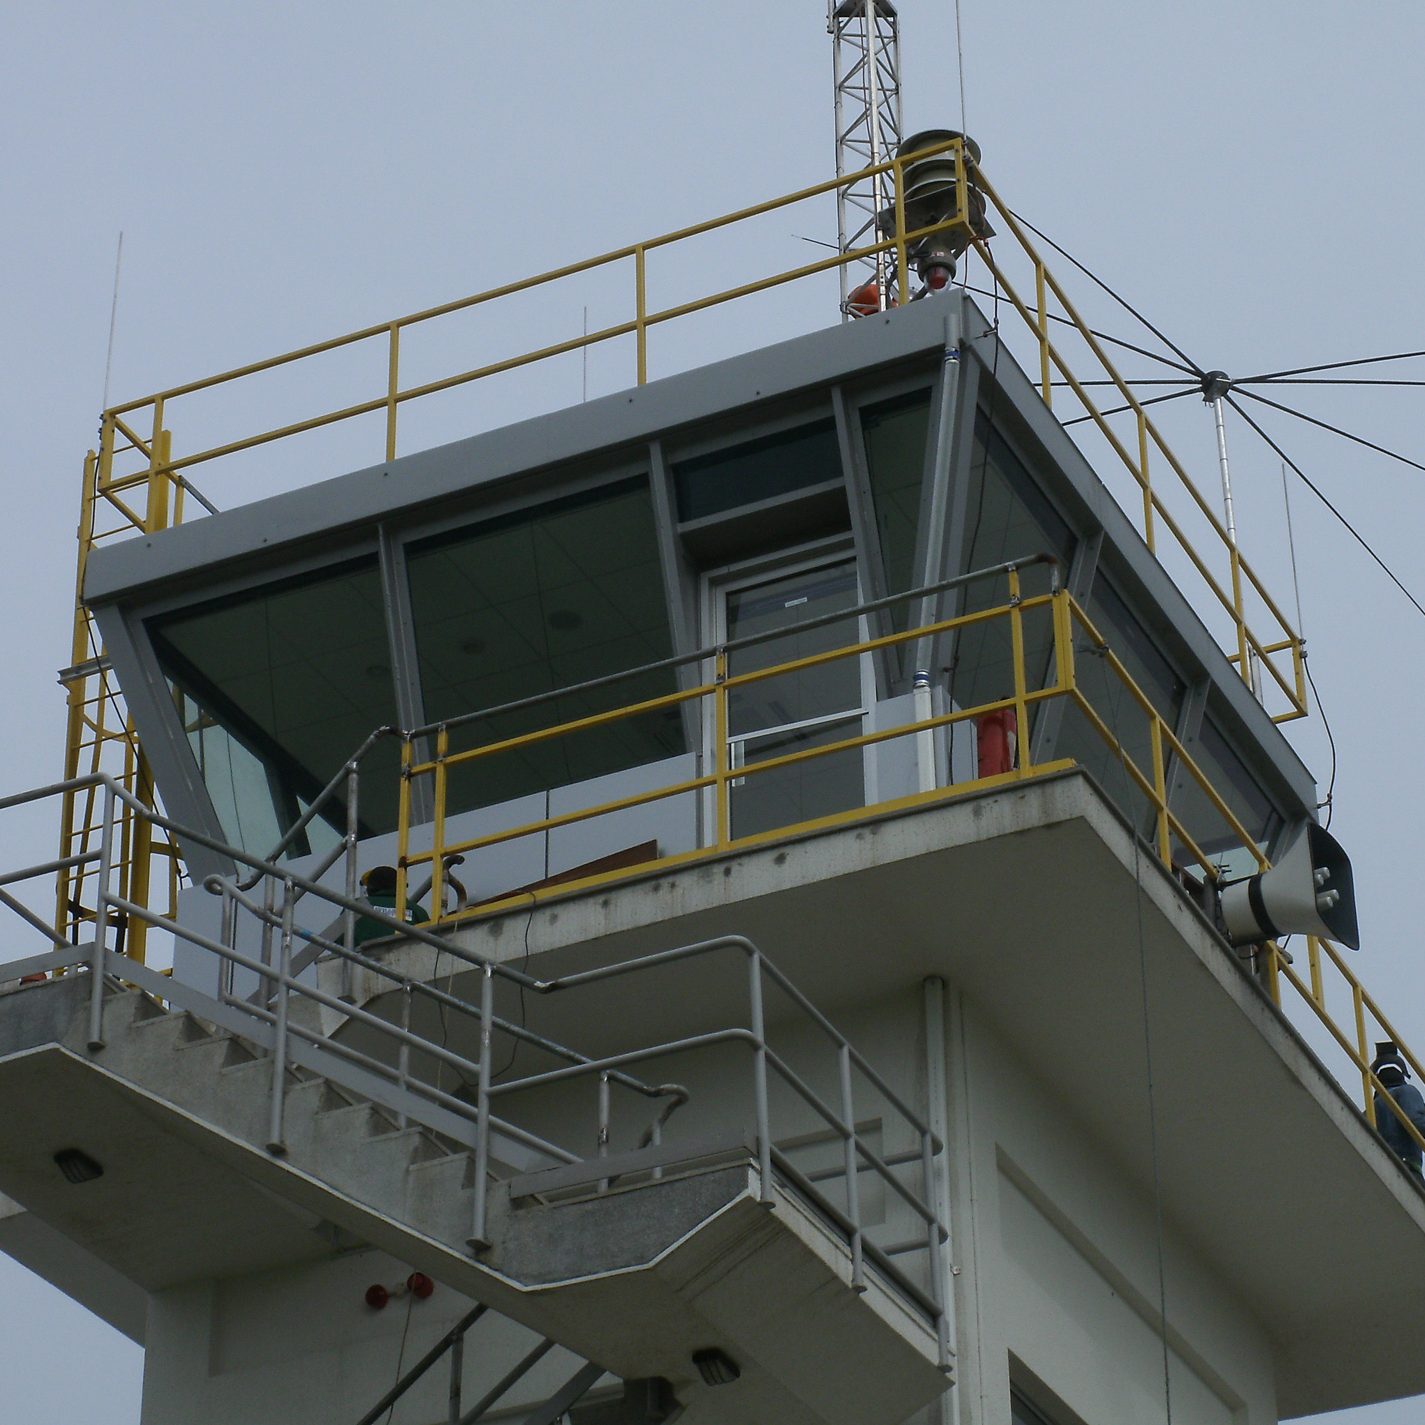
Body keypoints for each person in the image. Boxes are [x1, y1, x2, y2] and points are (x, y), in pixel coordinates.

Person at [1371, 1042, 1425, 1180]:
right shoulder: (1407, 1092)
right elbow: (1416, 1121)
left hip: (1377, 1172)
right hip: (1407, 1170)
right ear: (1402, 1074)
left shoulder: (1370, 1109)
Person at [353, 865, 430, 946]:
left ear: (370, 887)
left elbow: (339, 940)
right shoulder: (417, 911)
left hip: (359, 956)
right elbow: (431, 944)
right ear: (401, 886)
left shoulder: (355, 906)